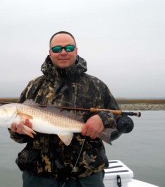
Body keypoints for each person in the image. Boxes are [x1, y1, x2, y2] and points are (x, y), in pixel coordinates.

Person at [9, 31, 121, 187]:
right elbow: (19, 138)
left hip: (86, 177)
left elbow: (120, 120)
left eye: (68, 48)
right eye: (57, 49)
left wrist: (103, 119)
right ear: (49, 53)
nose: (63, 52)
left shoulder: (97, 86)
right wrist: (17, 131)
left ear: (76, 50)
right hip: (39, 177)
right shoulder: (34, 86)